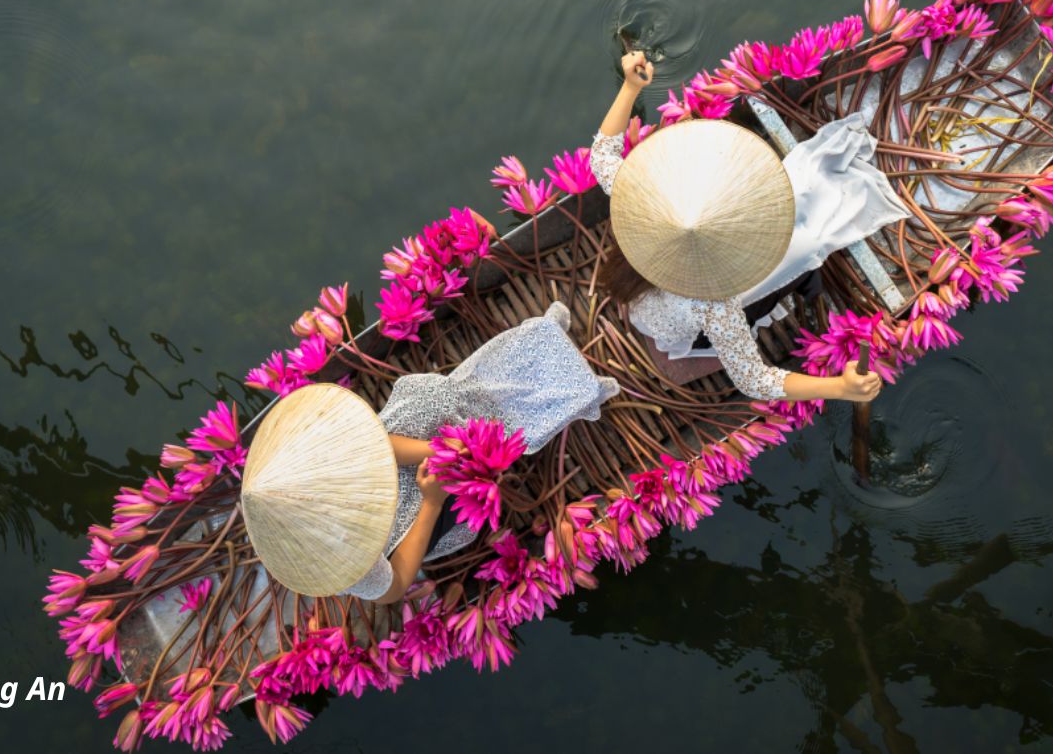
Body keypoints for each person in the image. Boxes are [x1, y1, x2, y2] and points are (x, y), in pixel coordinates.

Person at [589, 51, 895, 404]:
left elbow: (601, 154)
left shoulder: (642, 198)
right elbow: (754, 379)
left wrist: (630, 86)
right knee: (806, 251)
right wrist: (839, 389)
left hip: (639, 291)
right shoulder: (713, 303)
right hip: (678, 330)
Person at [340, 301, 616, 603]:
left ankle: (542, 338)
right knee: (490, 447)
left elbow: (366, 440)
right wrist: (432, 502)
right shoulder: (335, 564)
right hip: (413, 518)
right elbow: (391, 589)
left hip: (391, 458)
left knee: (444, 397)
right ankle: (581, 392)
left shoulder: (304, 455)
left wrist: (434, 449)